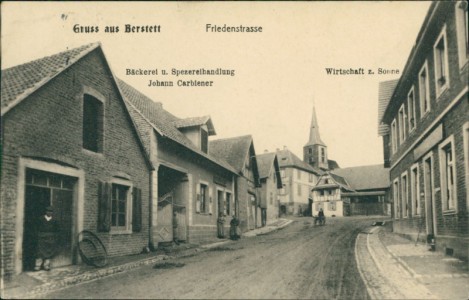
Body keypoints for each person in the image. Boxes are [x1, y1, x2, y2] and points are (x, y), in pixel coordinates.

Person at [34, 206, 60, 271]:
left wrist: (55, 237)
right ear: (46, 212)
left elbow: (57, 230)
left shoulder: (55, 220)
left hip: (50, 237)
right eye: (48, 211)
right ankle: (38, 266)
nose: (49, 213)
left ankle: (46, 265)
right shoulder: (41, 219)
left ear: (52, 213)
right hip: (41, 236)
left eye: (51, 211)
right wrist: (38, 235)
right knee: (39, 251)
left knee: (49, 251)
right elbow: (36, 228)